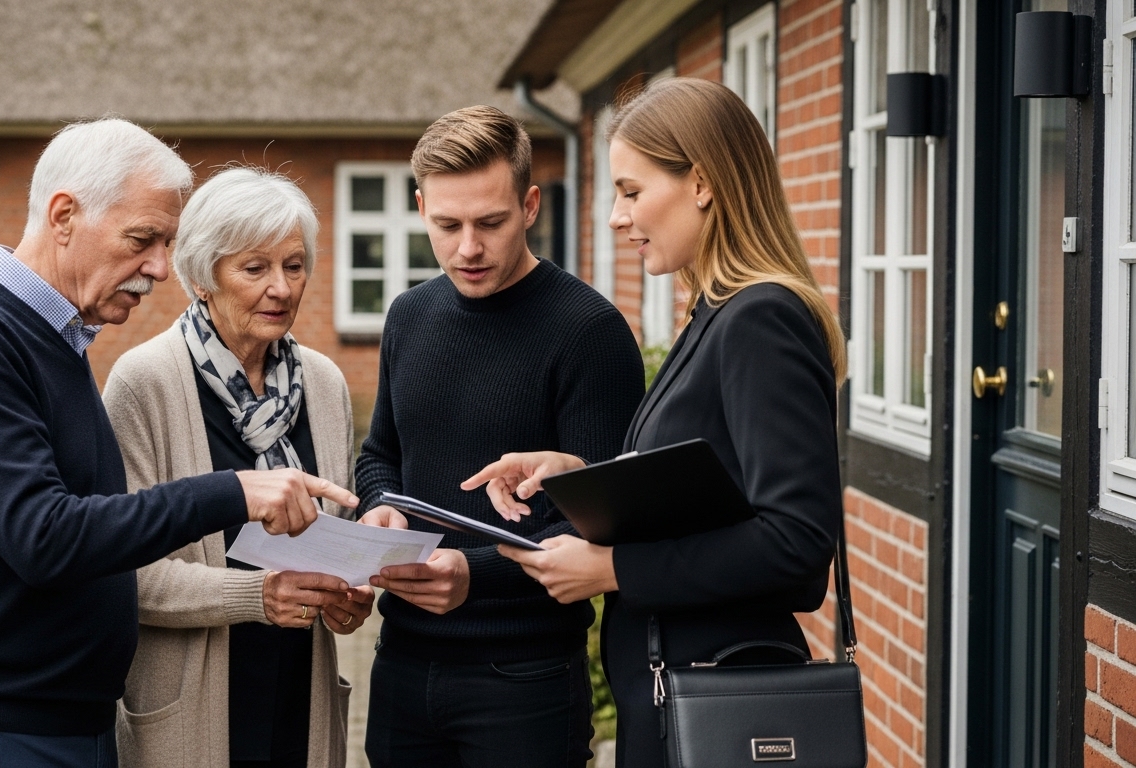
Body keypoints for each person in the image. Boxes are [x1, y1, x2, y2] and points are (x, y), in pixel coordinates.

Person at [0, 120, 358, 768]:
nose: (160, 268)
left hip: (57, 722)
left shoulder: (55, 343)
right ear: (63, 216)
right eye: (143, 240)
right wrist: (234, 492)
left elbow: (99, 526)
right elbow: (45, 536)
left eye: (167, 243)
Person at [464, 78, 847, 766]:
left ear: (700, 182)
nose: (616, 216)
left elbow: (796, 546)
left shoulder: (761, 318)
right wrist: (577, 475)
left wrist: (613, 568)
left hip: (722, 707)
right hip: (679, 697)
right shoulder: (715, 314)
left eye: (632, 191)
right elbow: (710, 489)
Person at [355, 105, 644, 767]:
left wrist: (473, 575)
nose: (468, 248)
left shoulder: (589, 333)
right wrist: (382, 506)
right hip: (401, 663)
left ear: (531, 204)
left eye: (491, 222)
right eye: (446, 224)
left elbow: (607, 520)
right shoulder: (408, 316)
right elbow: (380, 456)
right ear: (420, 204)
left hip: (525, 680)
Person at [102, 166, 374, 768]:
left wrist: (350, 600)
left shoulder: (326, 386)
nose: (281, 287)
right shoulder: (145, 383)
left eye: (294, 265)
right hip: (190, 713)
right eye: (255, 268)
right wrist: (259, 595)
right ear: (203, 276)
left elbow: (334, 550)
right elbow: (126, 572)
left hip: (300, 697)